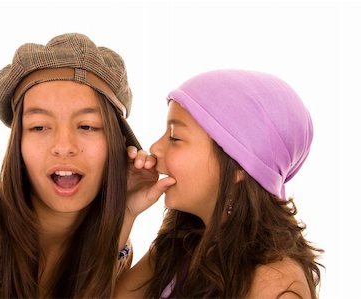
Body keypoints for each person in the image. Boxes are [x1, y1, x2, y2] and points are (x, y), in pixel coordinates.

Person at [0, 32, 142, 298]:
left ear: (118, 144)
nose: (63, 146)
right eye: (39, 127)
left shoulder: (114, 243)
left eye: (87, 126)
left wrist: (124, 213)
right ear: (18, 144)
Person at [116, 70, 324, 298]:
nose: (155, 147)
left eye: (175, 137)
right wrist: (126, 210)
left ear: (238, 166)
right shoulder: (178, 246)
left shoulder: (276, 285)